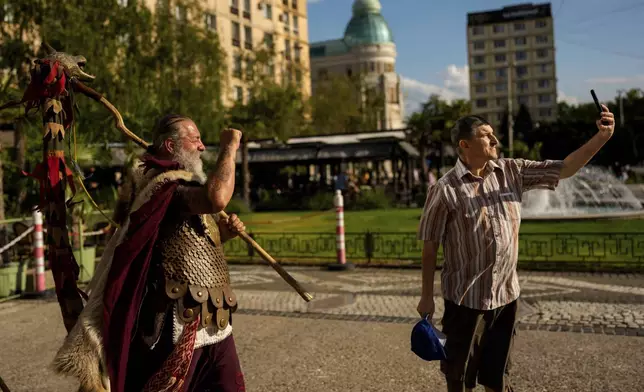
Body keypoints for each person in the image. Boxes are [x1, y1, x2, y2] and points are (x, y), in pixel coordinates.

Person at [416, 107, 616, 392]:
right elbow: (430, 245)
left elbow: (566, 168)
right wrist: (426, 297)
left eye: (494, 134)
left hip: (506, 297)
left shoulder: (512, 171)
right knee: (460, 379)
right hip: (464, 300)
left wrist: (602, 137)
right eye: (487, 136)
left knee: (498, 377)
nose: (495, 140)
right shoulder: (444, 189)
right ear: (465, 144)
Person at [53, 114, 247, 392]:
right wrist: (230, 147)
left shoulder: (183, 187)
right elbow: (216, 198)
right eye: (196, 139)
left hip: (217, 320)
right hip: (181, 320)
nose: (203, 146)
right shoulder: (166, 187)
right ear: (170, 146)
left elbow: (188, 246)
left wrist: (222, 235)